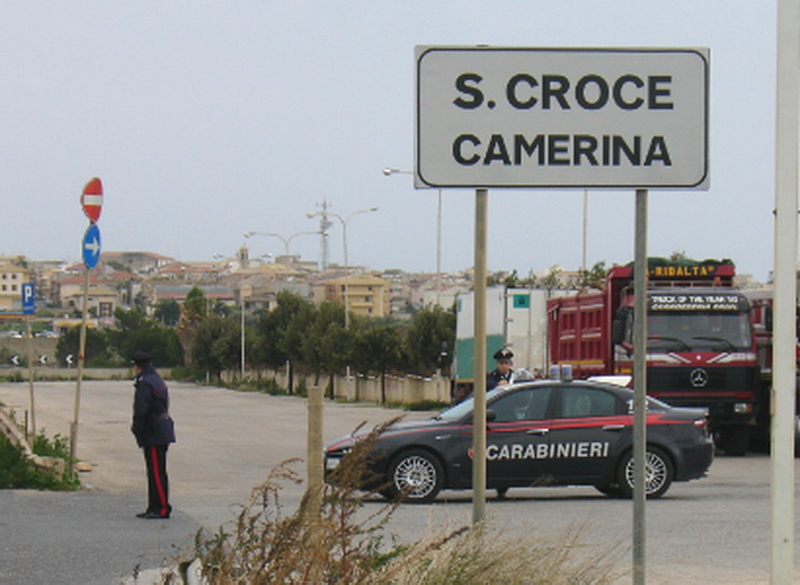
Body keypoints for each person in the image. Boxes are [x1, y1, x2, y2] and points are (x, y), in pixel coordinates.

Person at [130, 350, 175, 519]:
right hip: (160, 428)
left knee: (156, 471)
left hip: (154, 430)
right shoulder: (155, 378)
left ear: (138, 366)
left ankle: (162, 507)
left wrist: (137, 429)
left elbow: (141, 409)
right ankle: (154, 506)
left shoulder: (145, 382)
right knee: (155, 470)